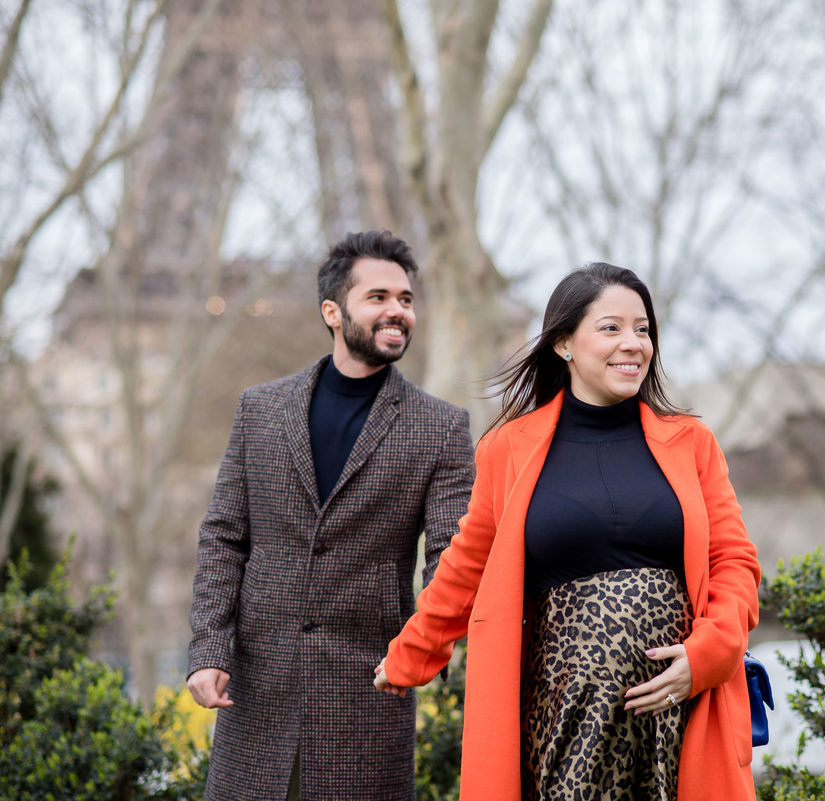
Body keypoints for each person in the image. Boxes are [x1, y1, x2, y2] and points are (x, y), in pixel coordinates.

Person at [374, 263, 761, 801]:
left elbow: (734, 562)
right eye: (611, 328)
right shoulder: (508, 449)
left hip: (682, 709)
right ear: (563, 344)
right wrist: (410, 655)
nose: (633, 344)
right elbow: (465, 568)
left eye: (643, 329)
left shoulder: (691, 442)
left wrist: (706, 657)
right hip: (565, 715)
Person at [187, 230, 474, 801]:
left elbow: (452, 558)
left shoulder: (441, 427)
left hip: (369, 697)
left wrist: (421, 651)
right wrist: (208, 649)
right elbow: (223, 538)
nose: (397, 310)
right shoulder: (260, 409)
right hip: (256, 692)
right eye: (378, 297)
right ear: (333, 312)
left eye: (406, 299)